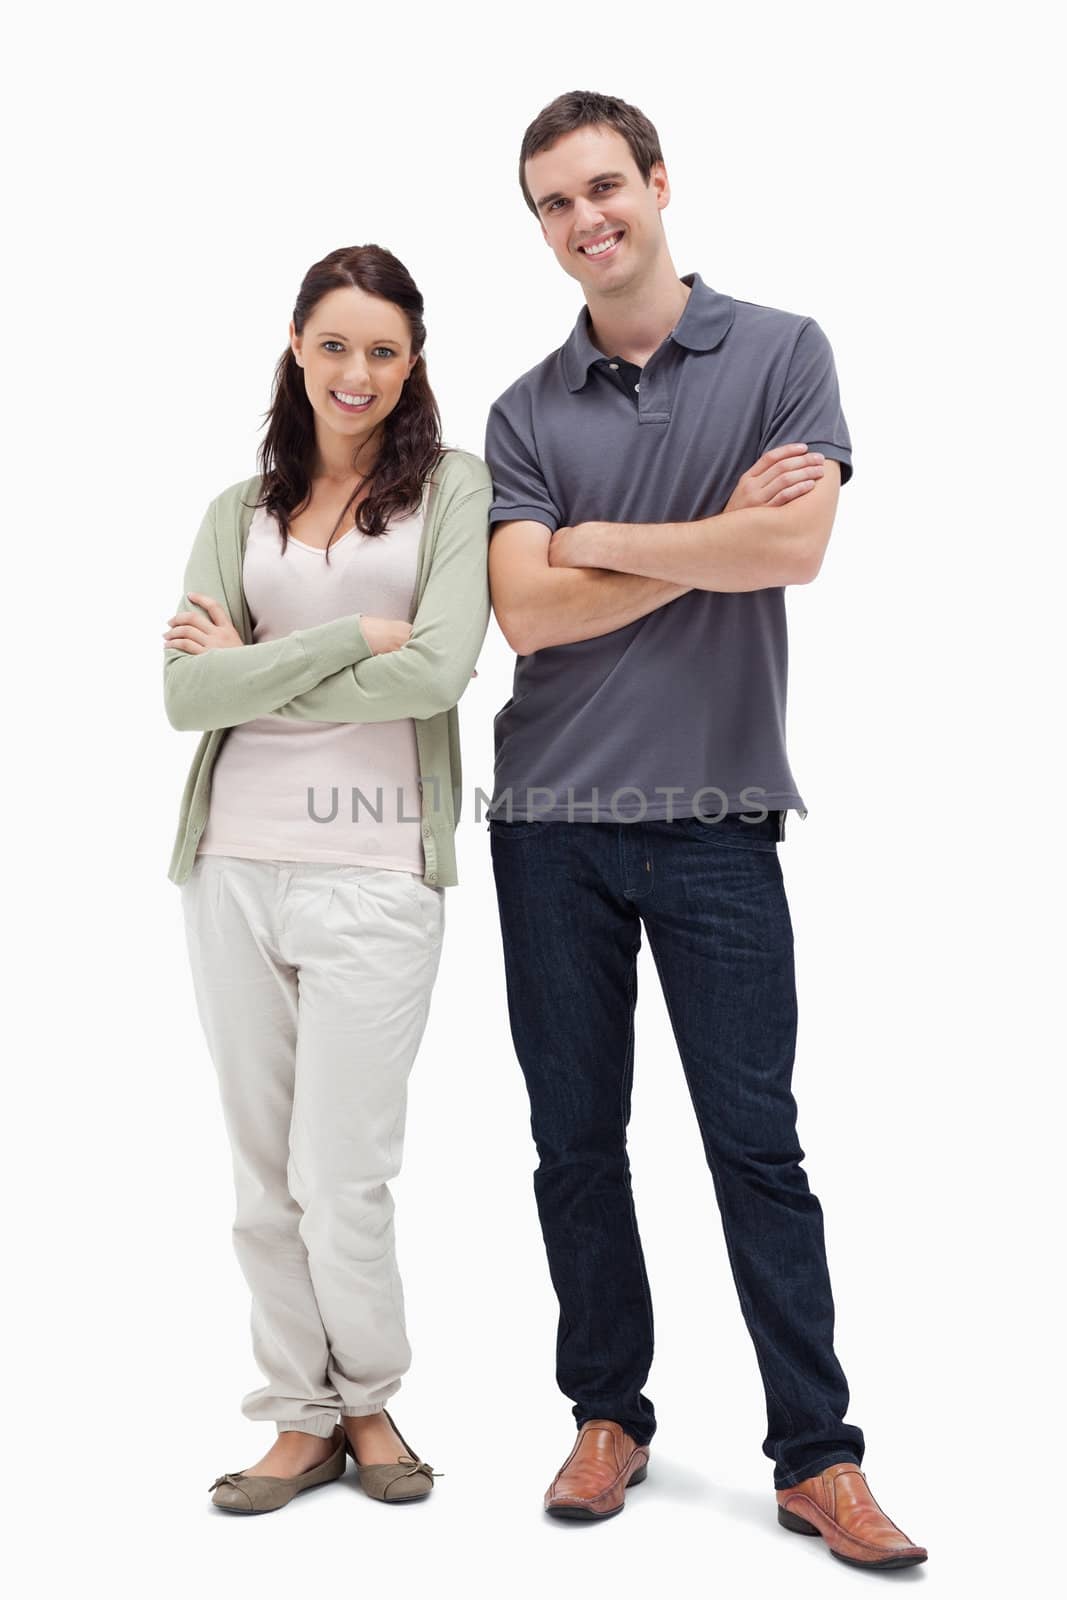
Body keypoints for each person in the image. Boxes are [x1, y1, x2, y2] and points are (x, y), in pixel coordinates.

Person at [484, 91, 927, 1569]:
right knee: (572, 1143)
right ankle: (605, 1415)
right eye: (551, 204)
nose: (581, 221)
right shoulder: (519, 411)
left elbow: (790, 545)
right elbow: (524, 612)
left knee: (755, 1143)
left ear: (658, 183)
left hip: (718, 821)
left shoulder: (781, 352)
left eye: (601, 187)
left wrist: (597, 537)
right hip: (546, 822)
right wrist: (694, 547)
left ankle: (816, 1454)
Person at [163, 243, 491, 1513]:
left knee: (340, 1165)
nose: (357, 372)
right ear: (296, 344)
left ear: (411, 366)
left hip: (374, 867)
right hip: (233, 862)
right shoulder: (231, 511)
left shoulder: (451, 492)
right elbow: (185, 695)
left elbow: (441, 671)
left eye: (385, 350)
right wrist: (351, 632)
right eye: (337, 344)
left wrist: (261, 658)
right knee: (260, 1167)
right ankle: (296, 1418)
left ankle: (371, 1402)